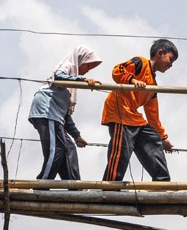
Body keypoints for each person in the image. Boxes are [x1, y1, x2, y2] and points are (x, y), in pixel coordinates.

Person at [101, 39, 177, 182]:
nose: (171, 65)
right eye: (170, 59)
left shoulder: (153, 85)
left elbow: (153, 115)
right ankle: (108, 189)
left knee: (153, 139)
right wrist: (132, 80)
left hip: (134, 119)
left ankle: (162, 183)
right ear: (160, 53)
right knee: (120, 156)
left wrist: (163, 138)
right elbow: (117, 70)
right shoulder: (140, 63)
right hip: (120, 115)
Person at [28, 45, 101, 180]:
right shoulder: (68, 65)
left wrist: (77, 136)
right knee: (56, 148)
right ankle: (43, 183)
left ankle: (73, 184)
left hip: (55, 115)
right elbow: (58, 75)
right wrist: (82, 80)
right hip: (47, 111)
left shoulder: (68, 88)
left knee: (68, 147)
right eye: (88, 66)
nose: (87, 71)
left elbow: (65, 114)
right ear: (80, 60)